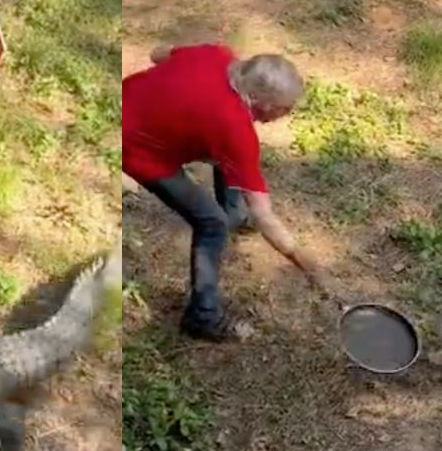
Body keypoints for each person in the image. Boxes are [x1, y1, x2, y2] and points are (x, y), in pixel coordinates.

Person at [123, 42, 337, 342]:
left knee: (223, 160)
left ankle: (234, 215)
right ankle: (203, 317)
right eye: (283, 109)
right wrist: (308, 265)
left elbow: (157, 53)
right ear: (258, 100)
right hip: (132, 146)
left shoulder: (216, 54)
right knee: (211, 223)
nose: (285, 115)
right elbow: (264, 215)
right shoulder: (236, 131)